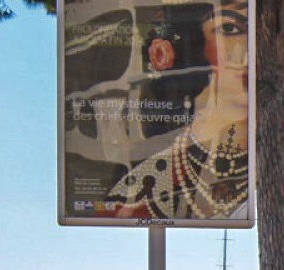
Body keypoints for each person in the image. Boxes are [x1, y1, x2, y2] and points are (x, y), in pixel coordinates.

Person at [103, 1, 250, 220]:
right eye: (229, 29)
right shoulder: (144, 185)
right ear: (193, 46)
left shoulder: (268, 174)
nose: (248, 53)